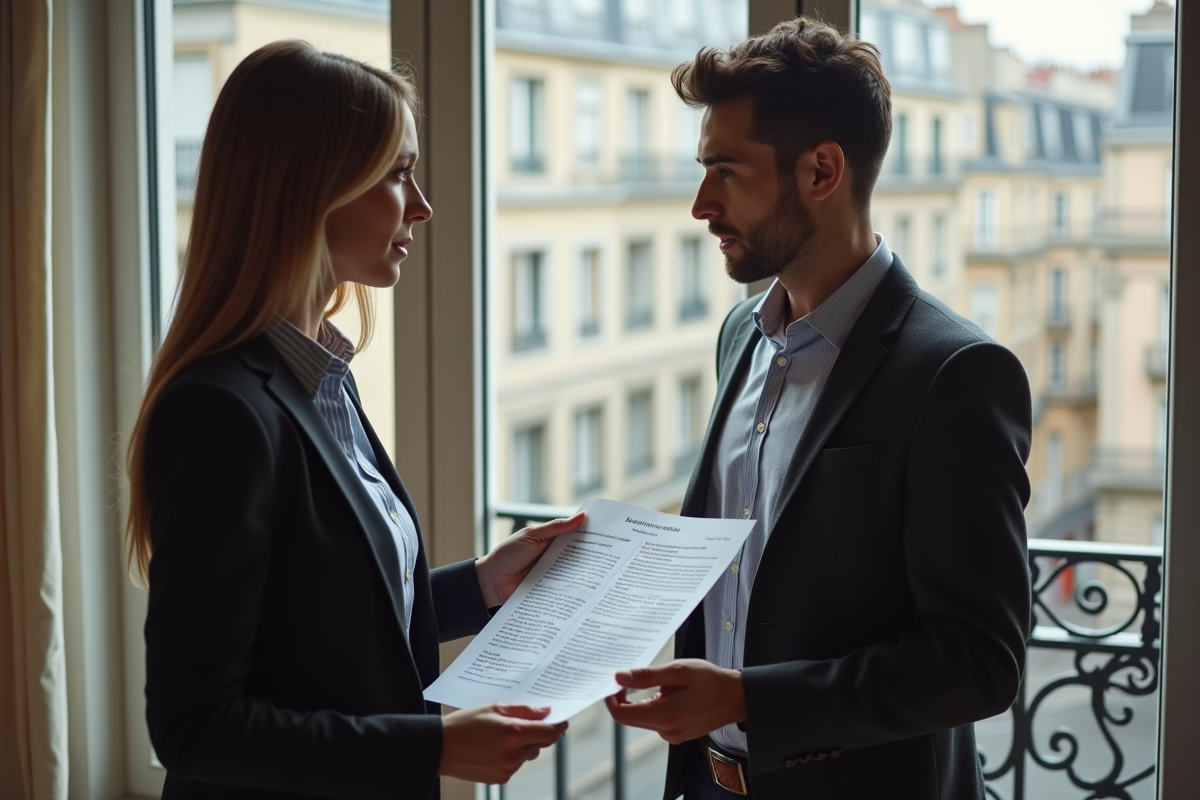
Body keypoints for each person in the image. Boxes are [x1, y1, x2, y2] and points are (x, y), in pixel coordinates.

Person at [125, 40, 578, 799]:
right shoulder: (219, 411)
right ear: (312, 188)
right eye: (400, 173)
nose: (424, 206)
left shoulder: (319, 378)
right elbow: (193, 725)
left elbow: (318, 626)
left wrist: (479, 585)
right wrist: (430, 746)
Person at [605, 17, 1032, 800]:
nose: (701, 204)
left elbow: (979, 663)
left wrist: (749, 700)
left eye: (725, 171)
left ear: (823, 172)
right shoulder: (740, 333)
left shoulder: (958, 373)